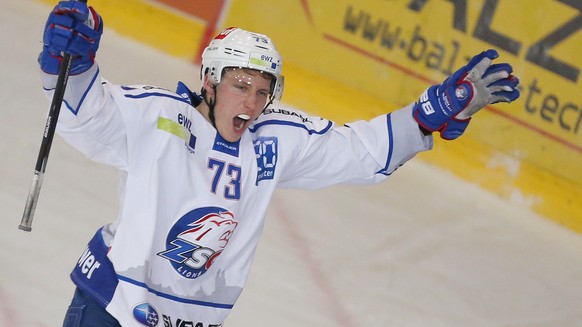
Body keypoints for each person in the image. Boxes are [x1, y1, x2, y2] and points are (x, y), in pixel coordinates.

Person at [38, 1, 520, 327]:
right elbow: (89, 119)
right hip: (111, 307)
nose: (252, 102)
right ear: (209, 81)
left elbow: (357, 151)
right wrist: (71, 64)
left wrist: (425, 116)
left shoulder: (274, 139)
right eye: (240, 85)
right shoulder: (163, 116)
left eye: (263, 90)